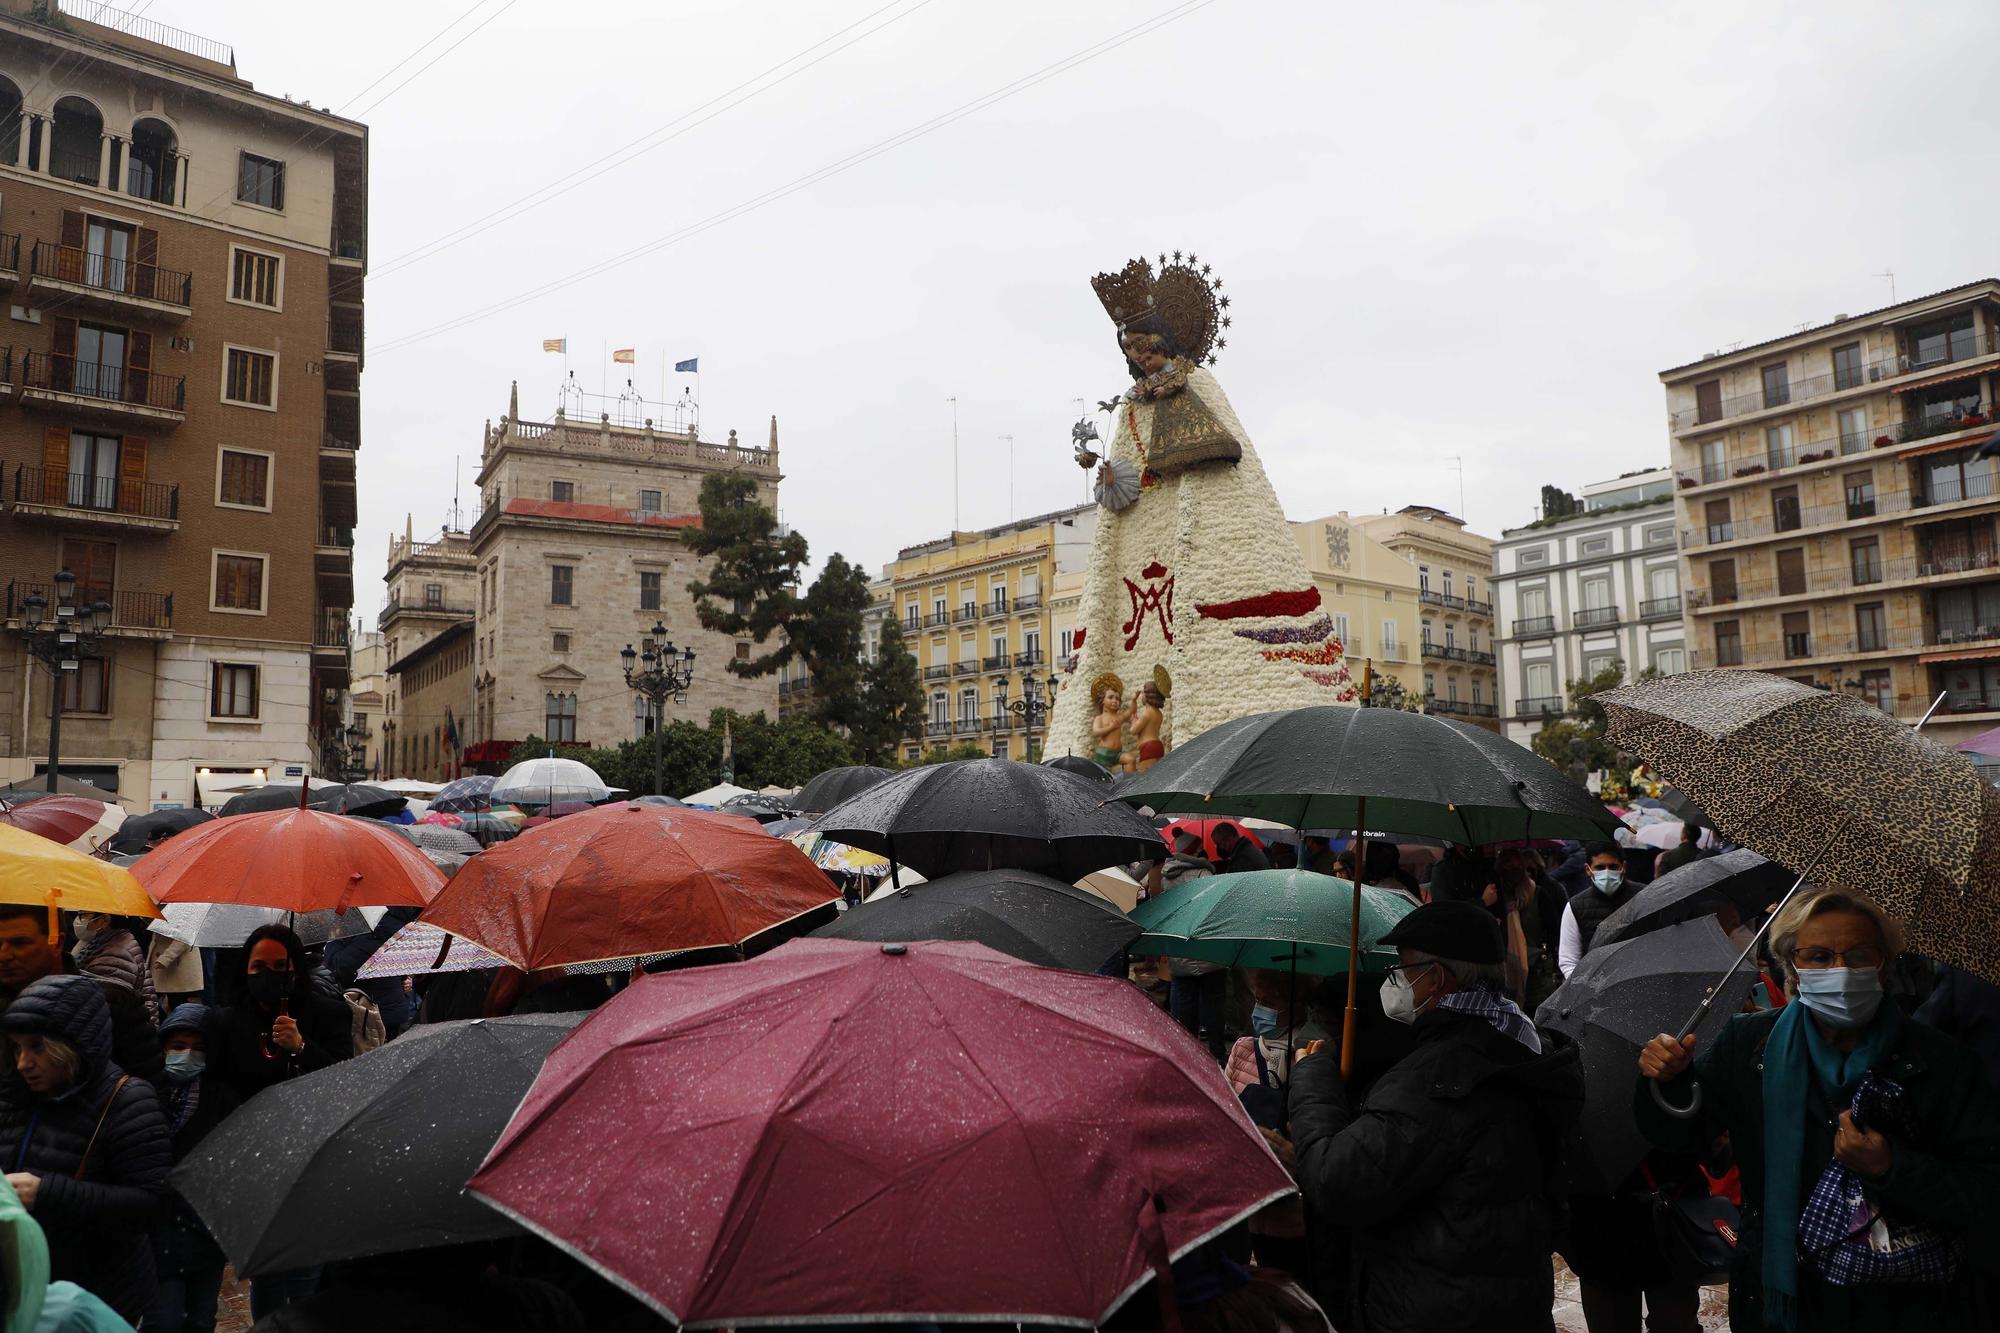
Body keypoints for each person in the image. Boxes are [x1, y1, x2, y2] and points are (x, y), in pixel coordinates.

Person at [1638, 888, 2000, 1332]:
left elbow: (1985, 1191)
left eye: (1859, 954)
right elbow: (1681, 1139)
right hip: (1787, 1297)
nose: (1841, 971)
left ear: (1884, 965)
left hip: (1906, 1303)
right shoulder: (1748, 1045)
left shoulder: (1941, 1062)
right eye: (1820, 956)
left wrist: (1892, 1168)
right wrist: (1669, 1083)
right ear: (1792, 965)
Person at [1287, 901, 1583, 1333]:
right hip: (1509, 1299)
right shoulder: (1521, 1039)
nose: (1395, 981)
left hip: (1435, 1305)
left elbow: (1339, 1181)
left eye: (1404, 970)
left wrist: (1312, 1080)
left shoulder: (1439, 1075)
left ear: (1437, 979)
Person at [0, 975, 170, 1324]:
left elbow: (149, 1205)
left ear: (75, 1044)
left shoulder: (127, 1101)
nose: (23, 1063)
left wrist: (47, 1192)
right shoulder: (15, 1097)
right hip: (28, 1292)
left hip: (100, 1298)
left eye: (37, 1047)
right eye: (17, 1048)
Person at [213, 926, 354, 1321]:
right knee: (268, 1269)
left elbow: (344, 1079)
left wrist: (302, 1047)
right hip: (255, 1159)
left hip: (311, 1155)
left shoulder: (326, 1012)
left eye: (280, 966)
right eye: (259, 966)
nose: (268, 974)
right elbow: (220, 1086)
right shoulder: (227, 1021)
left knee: (307, 1267)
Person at [148, 1005, 238, 1333]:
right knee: (165, 1320)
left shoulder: (221, 1098)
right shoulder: (146, 1095)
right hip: (159, 1231)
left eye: (198, 1048)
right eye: (178, 1046)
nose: (188, 1055)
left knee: (201, 1321)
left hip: (205, 1230)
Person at [0, 908, 160, 1085]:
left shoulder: (114, 1002)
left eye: (20, 943)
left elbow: (149, 1085)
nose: (4, 955)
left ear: (57, 942)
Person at [1158, 833, 1228, 1061]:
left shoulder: (1167, 876)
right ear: (1195, 849)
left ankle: (1187, 1054)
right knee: (1214, 1003)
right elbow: (1213, 909)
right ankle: (1217, 1053)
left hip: (1180, 945)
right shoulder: (1204, 873)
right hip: (1207, 948)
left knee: (1184, 999)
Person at [1557, 843, 1640, 978]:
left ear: (1623, 867)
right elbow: (1568, 960)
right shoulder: (1575, 907)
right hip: (1594, 987)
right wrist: (1583, 987)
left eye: (1613, 867)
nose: (1607, 872)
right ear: (1588, 869)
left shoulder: (1643, 897)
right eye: (1600, 867)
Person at [69, 916, 155, 1021]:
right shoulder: (102, 942)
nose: (78, 920)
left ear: (105, 920)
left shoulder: (115, 956)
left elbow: (103, 1007)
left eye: (84, 914)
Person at [1130, 683, 1168, 773]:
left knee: (1146, 776)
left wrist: (1133, 722)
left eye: (1143, 693)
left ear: (1147, 696)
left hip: (1148, 747)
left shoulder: (1147, 713)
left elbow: (1133, 730)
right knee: (1156, 775)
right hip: (1158, 746)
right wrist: (1133, 701)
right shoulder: (1159, 713)